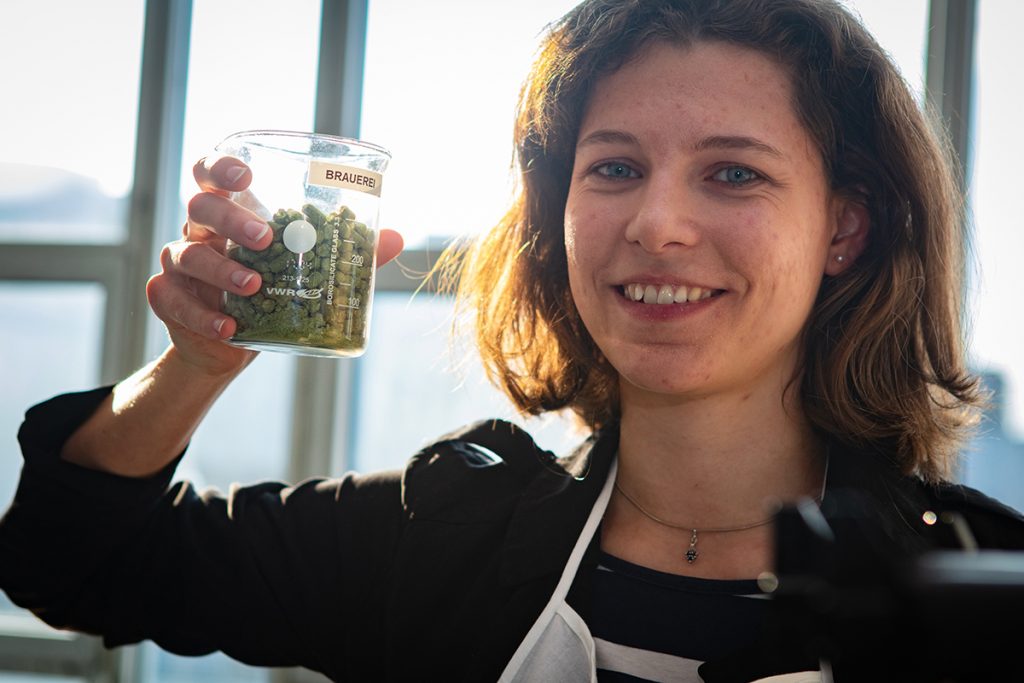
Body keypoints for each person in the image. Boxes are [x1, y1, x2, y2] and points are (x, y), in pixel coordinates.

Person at [2, 0, 1024, 681]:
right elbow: (72, 560)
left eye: (732, 173)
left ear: (844, 227)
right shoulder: (430, 537)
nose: (656, 223)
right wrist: (198, 361)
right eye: (614, 168)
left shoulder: (985, 585)